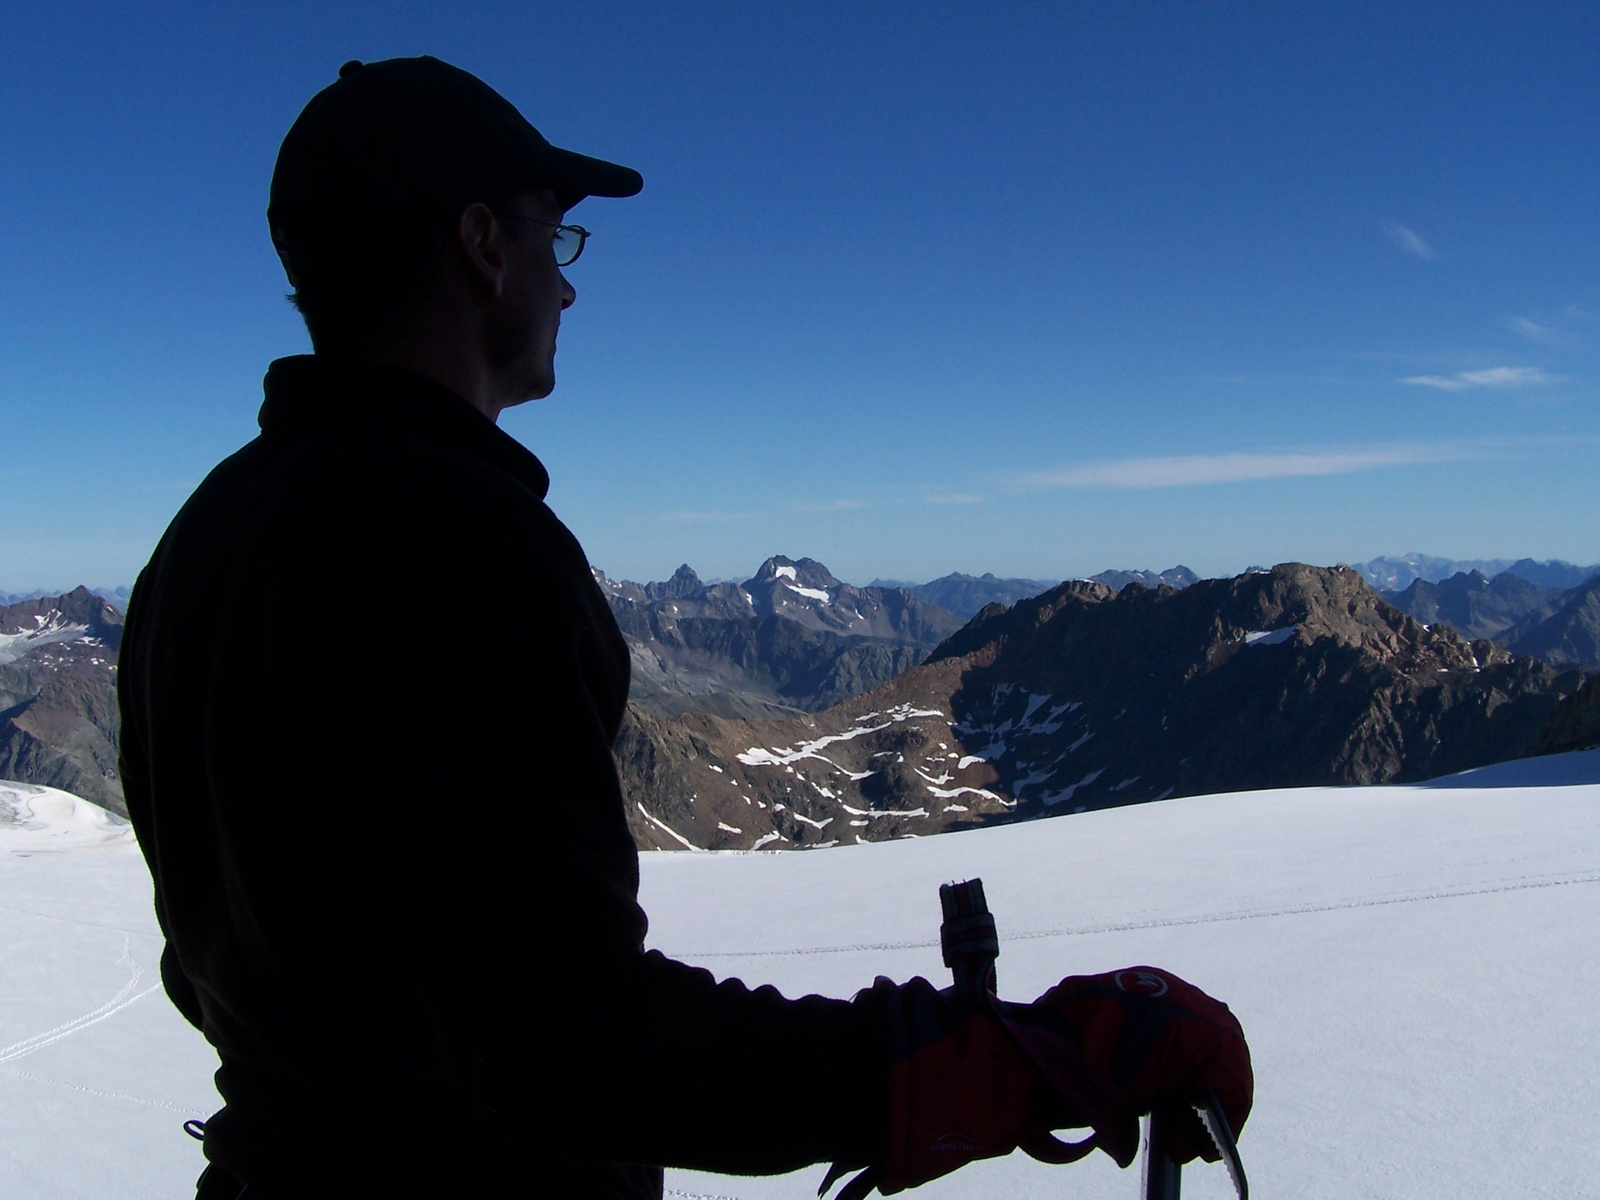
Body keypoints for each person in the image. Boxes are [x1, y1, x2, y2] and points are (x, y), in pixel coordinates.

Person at [118, 57, 1252, 1200]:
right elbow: (569, 1041)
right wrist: (996, 1065)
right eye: (552, 240)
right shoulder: (462, 544)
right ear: (480, 242)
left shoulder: (200, 539)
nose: (566, 290)